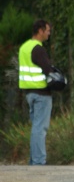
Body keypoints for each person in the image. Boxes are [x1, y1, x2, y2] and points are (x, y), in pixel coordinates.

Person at [19, 19, 53, 165]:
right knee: (40, 128)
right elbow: (48, 70)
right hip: (41, 93)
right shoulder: (38, 49)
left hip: (29, 92)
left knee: (35, 127)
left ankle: (34, 160)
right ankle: (39, 161)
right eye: (47, 30)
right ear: (40, 30)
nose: (49, 33)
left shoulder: (24, 47)